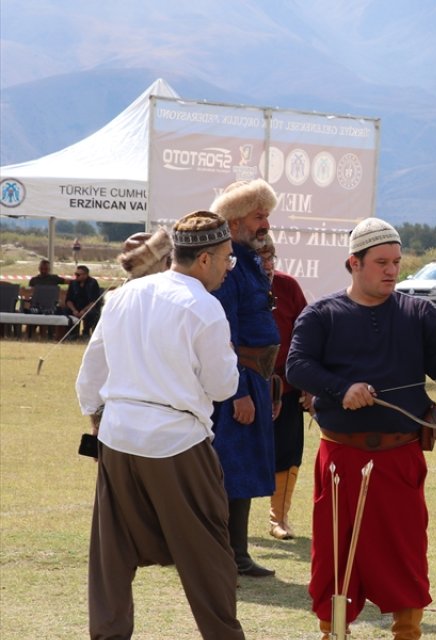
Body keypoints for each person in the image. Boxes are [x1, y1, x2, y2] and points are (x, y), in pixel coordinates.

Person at [286, 218, 436, 640]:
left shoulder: (417, 312)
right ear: (354, 262)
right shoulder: (321, 314)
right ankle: (333, 634)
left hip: (400, 458)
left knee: (404, 555)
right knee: (334, 555)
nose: (391, 270)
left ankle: (407, 633)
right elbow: (297, 366)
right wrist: (340, 388)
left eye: (396, 262)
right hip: (341, 461)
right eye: (381, 262)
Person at [75, 211, 243, 639]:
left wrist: (97, 416)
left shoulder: (124, 295)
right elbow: (223, 386)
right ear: (204, 259)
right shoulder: (205, 306)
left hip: (118, 436)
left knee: (111, 554)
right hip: (177, 441)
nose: (229, 266)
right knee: (208, 552)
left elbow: (91, 370)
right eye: (227, 257)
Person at [209, 178, 282, 578]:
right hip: (236, 379)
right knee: (230, 470)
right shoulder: (229, 265)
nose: (265, 223)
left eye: (266, 215)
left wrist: (266, 386)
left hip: (256, 377)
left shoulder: (248, 260)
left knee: (245, 468)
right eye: (258, 216)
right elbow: (226, 332)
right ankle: (227, 554)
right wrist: (237, 389)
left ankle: (236, 552)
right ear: (235, 221)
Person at [258, 237, 312, 541]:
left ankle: (279, 519)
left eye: (271, 257)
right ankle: (222, 519)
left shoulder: (288, 286)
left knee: (289, 451)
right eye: (260, 258)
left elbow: (305, 336)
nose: (267, 265)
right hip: (240, 384)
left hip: (287, 385)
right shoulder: (230, 286)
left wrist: (307, 385)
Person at [65, 264, 103, 339]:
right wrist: (74, 310)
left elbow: (94, 301)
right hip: (76, 307)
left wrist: (84, 310)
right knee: (65, 311)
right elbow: (68, 300)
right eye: (76, 274)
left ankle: (86, 332)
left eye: (78, 274)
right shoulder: (73, 283)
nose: (76, 276)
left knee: (92, 313)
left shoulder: (92, 283)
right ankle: (72, 334)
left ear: (86, 275)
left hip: (89, 307)